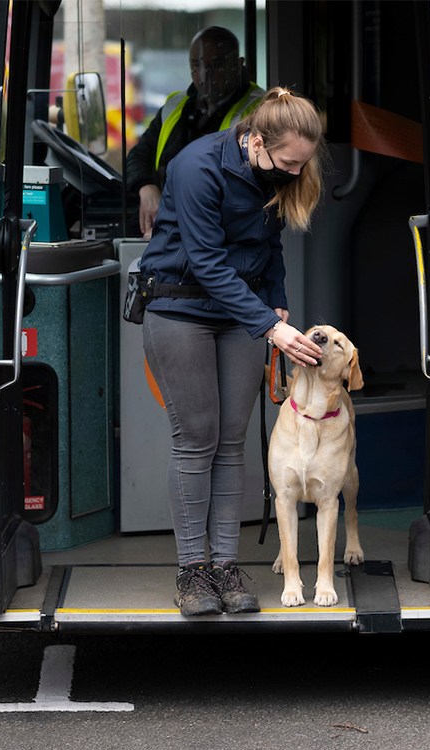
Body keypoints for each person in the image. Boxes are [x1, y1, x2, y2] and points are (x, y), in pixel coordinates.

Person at [139, 87, 327, 616]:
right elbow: (205, 261)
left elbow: (270, 248)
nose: (294, 173)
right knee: (196, 438)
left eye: (303, 164)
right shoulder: (196, 164)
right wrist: (270, 327)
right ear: (256, 141)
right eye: (288, 162)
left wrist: (279, 305)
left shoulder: (276, 172)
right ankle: (192, 572)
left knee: (231, 441)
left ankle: (225, 566)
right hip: (179, 310)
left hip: (241, 316)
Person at [125, 26, 264, 237]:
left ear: (237, 65)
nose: (203, 75)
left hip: (223, 231)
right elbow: (139, 154)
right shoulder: (175, 106)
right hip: (172, 225)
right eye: (196, 65)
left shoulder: (262, 109)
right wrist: (146, 188)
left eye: (215, 65)